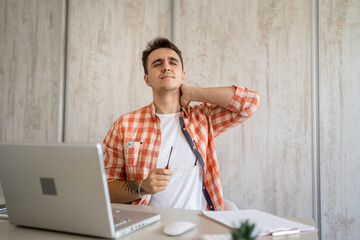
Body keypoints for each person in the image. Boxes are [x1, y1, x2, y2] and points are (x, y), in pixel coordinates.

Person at [103, 37, 259, 211]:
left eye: (173, 62)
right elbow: (105, 190)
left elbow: (250, 102)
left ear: (182, 75)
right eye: (157, 63)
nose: (166, 66)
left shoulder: (203, 118)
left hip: (199, 224)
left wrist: (193, 93)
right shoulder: (125, 126)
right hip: (146, 225)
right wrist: (143, 187)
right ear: (147, 80)